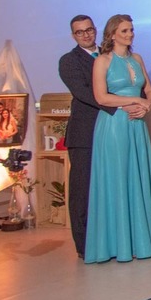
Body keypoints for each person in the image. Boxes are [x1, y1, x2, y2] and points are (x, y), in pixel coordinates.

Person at [85, 14, 151, 263]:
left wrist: (146, 105)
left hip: (137, 124)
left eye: (131, 30)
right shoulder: (102, 61)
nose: (130, 34)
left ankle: (140, 240)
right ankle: (116, 243)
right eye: (125, 31)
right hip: (114, 124)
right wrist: (134, 100)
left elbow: (148, 90)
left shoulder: (136, 58)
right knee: (118, 178)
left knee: (138, 176)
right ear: (112, 34)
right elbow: (101, 97)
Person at [58, 15, 123, 259]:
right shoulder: (69, 60)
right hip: (85, 134)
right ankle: (85, 245)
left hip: (114, 130)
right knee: (83, 190)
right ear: (73, 35)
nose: (86, 35)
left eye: (89, 30)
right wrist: (120, 105)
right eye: (80, 32)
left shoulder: (110, 55)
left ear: (96, 30)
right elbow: (85, 92)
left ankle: (112, 240)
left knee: (111, 185)